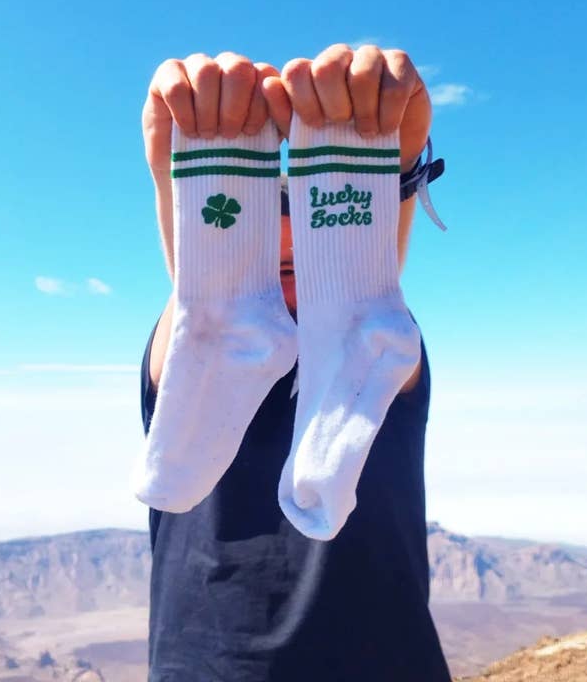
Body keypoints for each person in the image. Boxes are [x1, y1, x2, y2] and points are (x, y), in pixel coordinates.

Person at [139, 43, 452, 682]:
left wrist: (389, 162)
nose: (291, 263)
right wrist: (175, 167)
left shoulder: (375, 360)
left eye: (307, 258)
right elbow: (203, 310)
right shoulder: (191, 357)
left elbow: (369, 300)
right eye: (271, 260)